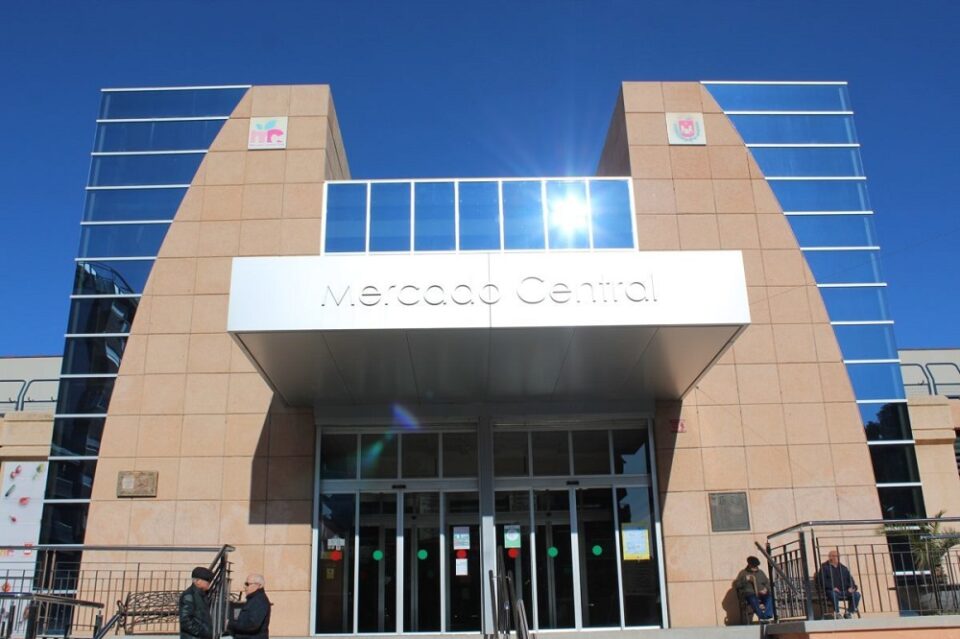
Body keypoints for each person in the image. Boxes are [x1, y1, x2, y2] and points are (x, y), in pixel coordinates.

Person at [227, 574, 271, 639]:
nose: (245, 587)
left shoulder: (259, 600)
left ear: (259, 585)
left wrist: (230, 624)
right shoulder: (254, 599)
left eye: (247, 584)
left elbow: (252, 624)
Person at [819, 550, 860, 618]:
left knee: (857, 594)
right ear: (830, 557)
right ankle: (837, 613)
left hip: (845, 591)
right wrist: (832, 587)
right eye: (834, 556)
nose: (836, 557)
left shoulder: (843, 568)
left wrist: (852, 588)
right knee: (833, 594)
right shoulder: (824, 568)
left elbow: (851, 581)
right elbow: (822, 581)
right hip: (832, 590)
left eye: (837, 556)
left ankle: (849, 612)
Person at [735, 556, 774, 623]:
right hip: (750, 594)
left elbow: (767, 583)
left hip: (761, 593)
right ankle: (762, 617)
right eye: (753, 566)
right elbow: (737, 585)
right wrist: (745, 580)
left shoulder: (760, 572)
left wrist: (766, 589)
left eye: (756, 566)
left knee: (769, 598)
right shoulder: (743, 573)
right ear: (749, 565)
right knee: (753, 599)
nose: (755, 568)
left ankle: (767, 616)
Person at [180, 567, 214, 639]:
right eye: (207, 581)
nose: (209, 583)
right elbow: (185, 621)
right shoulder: (189, 595)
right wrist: (203, 632)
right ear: (198, 581)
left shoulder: (202, 595)